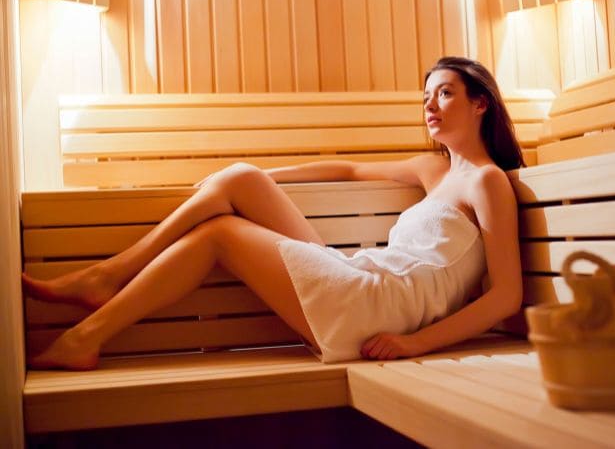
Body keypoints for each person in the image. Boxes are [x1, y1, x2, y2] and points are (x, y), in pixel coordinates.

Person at [22, 56, 525, 370]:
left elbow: (506, 294)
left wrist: (415, 344)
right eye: (425, 97)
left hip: (380, 308)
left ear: (480, 103)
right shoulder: (430, 169)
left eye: (445, 93)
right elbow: (348, 171)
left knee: (219, 232)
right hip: (360, 279)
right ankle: (97, 300)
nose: (430, 106)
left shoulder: (487, 181)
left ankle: (94, 309)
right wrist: (262, 178)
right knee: (239, 177)